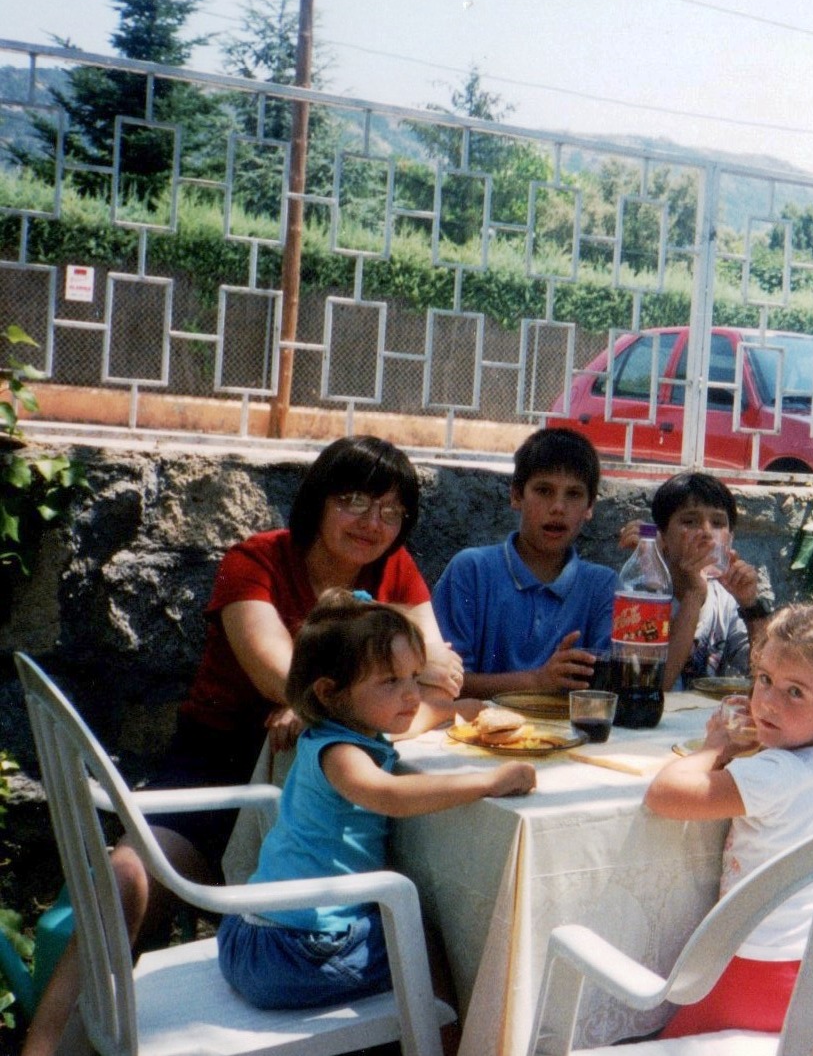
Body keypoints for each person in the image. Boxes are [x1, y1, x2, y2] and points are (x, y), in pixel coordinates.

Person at [23, 434, 475, 1056]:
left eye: (392, 510)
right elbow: (279, 674)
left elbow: (439, 670)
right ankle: (46, 1046)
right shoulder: (257, 560)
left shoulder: (393, 569)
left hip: (318, 782)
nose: (374, 523)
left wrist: (347, 692)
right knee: (126, 877)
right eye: (355, 501)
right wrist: (362, 684)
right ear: (317, 500)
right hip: (221, 766)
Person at [216, 592, 534, 1041]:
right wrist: (488, 782)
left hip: (251, 932)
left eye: (413, 677)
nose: (410, 693)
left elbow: (417, 715)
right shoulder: (341, 753)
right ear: (329, 692)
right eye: (390, 682)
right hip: (294, 954)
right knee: (437, 935)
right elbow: (391, 795)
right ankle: (445, 1043)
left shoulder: (342, 727)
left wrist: (462, 709)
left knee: (418, 926)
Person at [643, 603, 813, 1037]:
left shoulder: (773, 775)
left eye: (795, 693)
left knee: (660, 1038)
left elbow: (664, 794)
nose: (767, 703)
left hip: (764, 976)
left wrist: (716, 747)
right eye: (765, 680)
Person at [432, 428, 618, 698]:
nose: (558, 507)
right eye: (544, 491)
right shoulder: (471, 571)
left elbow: (610, 686)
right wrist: (536, 681)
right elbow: (446, 683)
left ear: (590, 506)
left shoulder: (603, 585)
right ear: (516, 496)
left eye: (574, 495)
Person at [617, 471, 773, 691]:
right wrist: (693, 594)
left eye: (718, 523)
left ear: (730, 538)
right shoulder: (645, 596)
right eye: (689, 521)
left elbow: (767, 675)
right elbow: (653, 688)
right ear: (663, 537)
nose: (706, 532)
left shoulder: (725, 600)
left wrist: (751, 606)